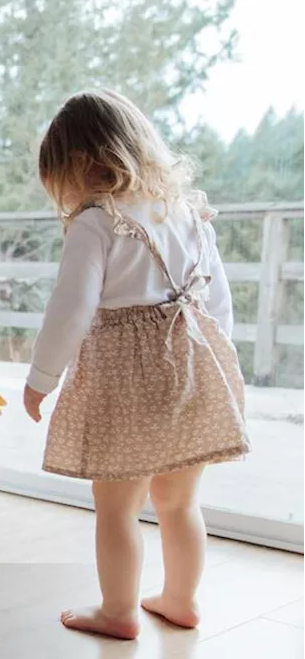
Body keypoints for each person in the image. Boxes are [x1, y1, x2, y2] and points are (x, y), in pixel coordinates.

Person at [23, 89, 251, 640]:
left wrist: (40, 379)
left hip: (128, 381)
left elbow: (70, 310)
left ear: (76, 164)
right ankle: (180, 599)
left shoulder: (96, 222)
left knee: (117, 507)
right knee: (179, 502)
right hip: (194, 367)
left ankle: (119, 611)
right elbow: (218, 305)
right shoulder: (189, 214)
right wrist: (220, 364)